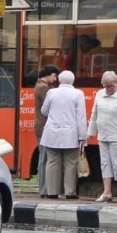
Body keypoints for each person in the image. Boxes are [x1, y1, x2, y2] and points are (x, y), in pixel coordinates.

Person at [40, 70, 88, 199]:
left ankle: (52, 192)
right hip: (70, 134)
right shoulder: (78, 94)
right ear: (72, 81)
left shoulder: (51, 92)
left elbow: (44, 111)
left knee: (52, 161)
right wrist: (83, 136)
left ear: (59, 80)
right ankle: (69, 192)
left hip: (51, 132)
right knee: (71, 163)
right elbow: (81, 117)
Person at [88, 70, 117, 202]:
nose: (108, 89)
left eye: (111, 86)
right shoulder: (100, 94)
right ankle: (107, 192)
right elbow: (94, 114)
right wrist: (90, 132)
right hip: (103, 135)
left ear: (116, 84)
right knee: (105, 163)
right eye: (106, 86)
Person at [32, 65, 59, 197]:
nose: (55, 79)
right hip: (43, 126)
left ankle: (44, 189)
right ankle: (44, 189)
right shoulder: (43, 88)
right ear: (49, 74)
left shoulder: (39, 85)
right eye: (54, 76)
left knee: (44, 158)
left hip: (40, 125)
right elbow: (49, 107)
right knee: (44, 159)